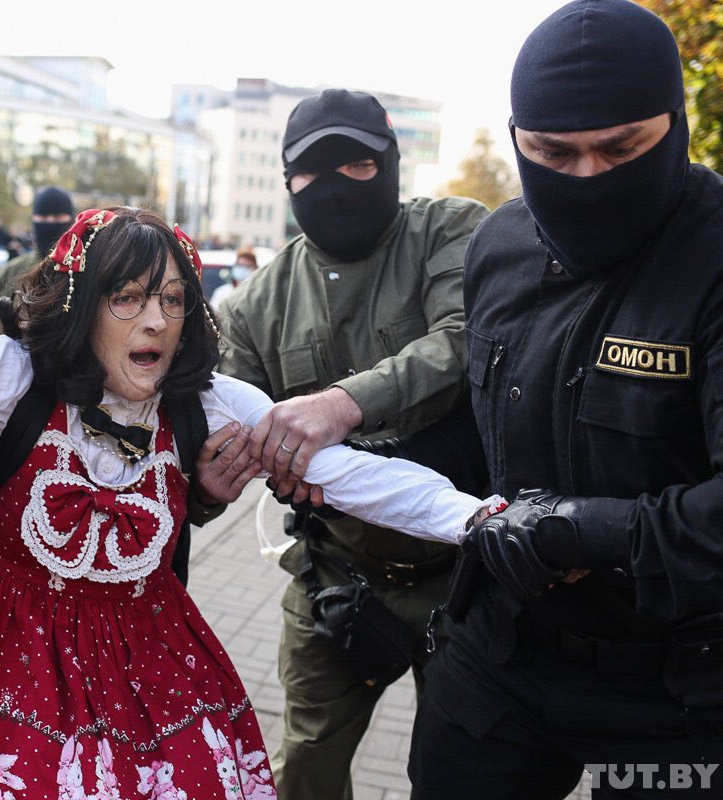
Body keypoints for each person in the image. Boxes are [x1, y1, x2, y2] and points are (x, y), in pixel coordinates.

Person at [0, 206, 495, 799]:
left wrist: (475, 518)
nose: (156, 320)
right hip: (5, 647)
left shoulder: (210, 400)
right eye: (127, 297)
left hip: (150, 660)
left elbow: (350, 474)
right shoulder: (14, 374)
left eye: (172, 299)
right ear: (80, 307)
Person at [406, 1, 723, 797]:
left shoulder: (721, 257)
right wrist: (367, 460)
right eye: (553, 152)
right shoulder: (499, 245)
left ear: (676, 123)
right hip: (501, 652)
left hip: (680, 685)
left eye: (622, 148)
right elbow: (490, 430)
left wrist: (580, 530)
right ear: (518, 137)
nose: (587, 178)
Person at [216, 89, 489, 799]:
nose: (335, 185)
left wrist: (340, 406)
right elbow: (231, 430)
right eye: (312, 171)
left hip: (467, 578)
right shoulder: (253, 306)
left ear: (392, 164)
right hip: (337, 575)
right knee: (305, 768)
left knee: (464, 771)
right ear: (287, 182)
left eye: (358, 165)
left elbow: (466, 339)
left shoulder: (450, 229)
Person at [0, 186, 75, 334]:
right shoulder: (11, 271)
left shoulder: (83, 270)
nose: (50, 222)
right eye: (43, 217)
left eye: (58, 217)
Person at [208, 246, 258, 311]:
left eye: (248, 266)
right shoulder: (222, 292)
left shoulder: (257, 295)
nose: (243, 270)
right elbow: (213, 314)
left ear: (255, 269)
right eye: (240, 265)